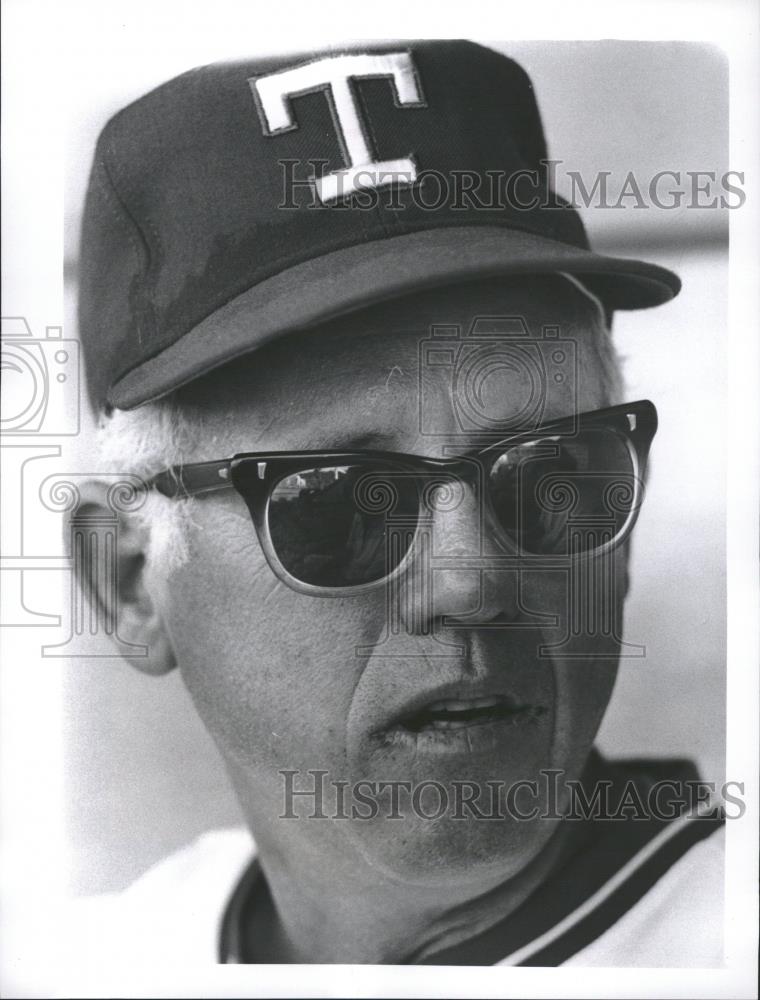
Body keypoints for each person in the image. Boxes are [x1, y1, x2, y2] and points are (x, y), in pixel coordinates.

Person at [70, 40, 724, 967]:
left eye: (547, 477)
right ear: (131, 582)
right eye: (335, 506)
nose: (468, 581)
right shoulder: (87, 962)